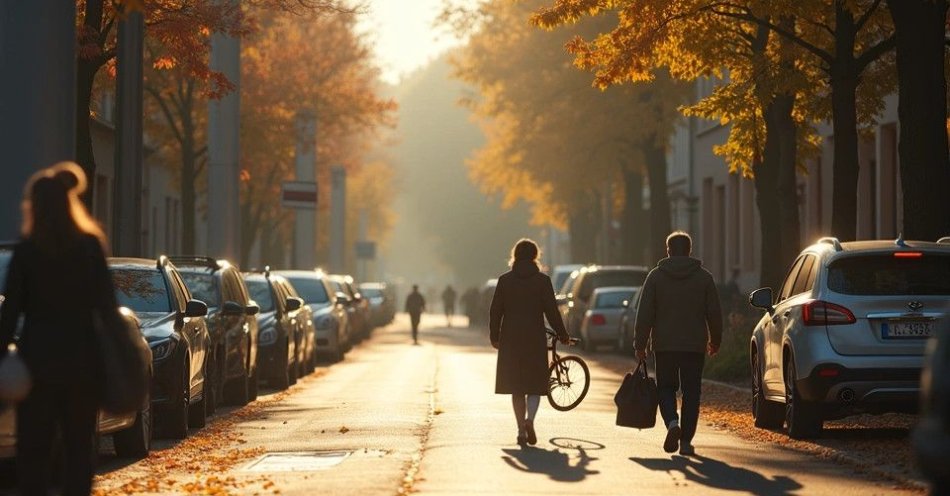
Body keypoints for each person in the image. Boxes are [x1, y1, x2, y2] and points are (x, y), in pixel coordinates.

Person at [0, 163, 119, 496]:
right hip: (84, 365)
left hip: (38, 367)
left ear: (34, 206)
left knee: (34, 453)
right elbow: (107, 308)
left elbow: (9, 314)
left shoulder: (27, 252)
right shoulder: (90, 248)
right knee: (79, 449)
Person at [634, 231, 723, 457]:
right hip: (694, 345)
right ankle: (685, 442)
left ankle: (672, 423)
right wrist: (716, 339)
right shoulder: (704, 278)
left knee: (666, 388)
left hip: (664, 345)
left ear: (668, 250)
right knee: (692, 392)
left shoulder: (655, 277)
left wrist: (640, 344)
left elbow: (645, 313)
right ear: (689, 251)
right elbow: (714, 312)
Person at [490, 238, 570, 446]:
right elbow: (552, 311)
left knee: (517, 388)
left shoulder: (505, 280)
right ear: (535, 256)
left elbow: (495, 310)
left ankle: (520, 430)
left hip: (511, 339)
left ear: (514, 256)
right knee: (534, 385)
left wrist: (494, 335)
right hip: (534, 338)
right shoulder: (542, 281)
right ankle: (529, 420)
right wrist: (562, 333)